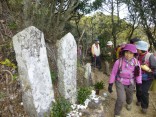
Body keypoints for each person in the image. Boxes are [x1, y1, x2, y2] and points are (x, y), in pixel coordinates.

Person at [108, 44, 142, 117]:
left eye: (131, 53)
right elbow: (113, 73)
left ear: (134, 54)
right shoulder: (118, 62)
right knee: (121, 98)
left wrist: (139, 84)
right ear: (123, 52)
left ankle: (129, 103)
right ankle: (117, 113)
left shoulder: (136, 63)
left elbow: (138, 74)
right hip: (120, 81)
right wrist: (110, 84)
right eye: (126, 52)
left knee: (129, 97)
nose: (128, 55)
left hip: (131, 82)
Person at [135, 40, 154, 114]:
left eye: (138, 48)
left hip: (148, 78)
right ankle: (139, 100)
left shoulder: (150, 56)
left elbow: (154, 68)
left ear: (141, 49)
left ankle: (144, 106)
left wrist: (147, 68)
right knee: (138, 89)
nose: (137, 49)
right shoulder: (137, 55)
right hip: (138, 77)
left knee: (144, 92)